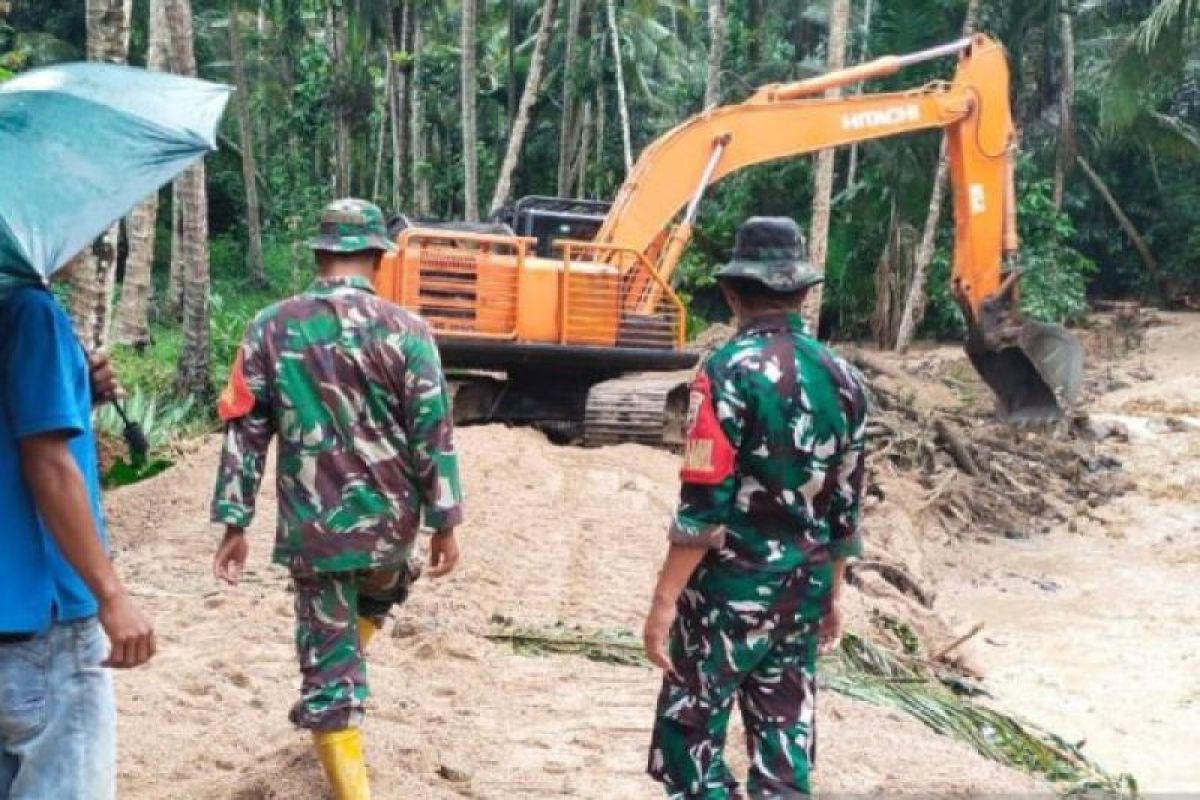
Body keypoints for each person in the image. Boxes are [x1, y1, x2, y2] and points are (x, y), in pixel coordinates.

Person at [210, 198, 463, 800]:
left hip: (316, 535)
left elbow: (244, 430)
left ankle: (333, 691)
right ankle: (337, 671)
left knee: (329, 678)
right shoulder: (409, 330)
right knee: (382, 591)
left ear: (320, 254)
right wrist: (445, 521)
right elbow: (434, 430)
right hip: (391, 530)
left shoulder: (270, 326)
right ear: (377, 256)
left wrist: (233, 520)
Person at [642, 217, 868, 799]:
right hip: (805, 588)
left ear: (733, 292)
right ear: (801, 292)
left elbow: (704, 507)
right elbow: (845, 506)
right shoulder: (845, 379)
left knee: (690, 741)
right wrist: (833, 594)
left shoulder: (723, 373)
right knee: (784, 742)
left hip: (728, 595)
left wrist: (664, 602)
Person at [0, 266, 156, 800]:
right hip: (45, 625)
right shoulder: (29, 310)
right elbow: (46, 465)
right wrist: (111, 595)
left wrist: (74, 391)